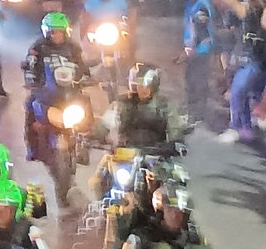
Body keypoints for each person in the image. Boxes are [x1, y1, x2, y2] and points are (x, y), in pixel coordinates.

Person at [20, 12, 87, 162]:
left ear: (65, 32)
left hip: (70, 90)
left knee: (85, 102)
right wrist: (31, 80)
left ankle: (85, 141)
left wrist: (86, 77)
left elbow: (82, 66)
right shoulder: (38, 47)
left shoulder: (73, 48)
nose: (55, 35)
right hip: (45, 90)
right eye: (52, 32)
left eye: (59, 32)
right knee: (30, 105)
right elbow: (30, 65)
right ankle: (32, 147)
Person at [103, 63, 174, 150]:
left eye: (145, 87)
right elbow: (106, 122)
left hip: (156, 153)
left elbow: (175, 127)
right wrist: (94, 135)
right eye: (137, 86)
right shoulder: (122, 103)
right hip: (126, 151)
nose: (141, 90)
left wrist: (174, 143)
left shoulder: (163, 105)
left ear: (153, 88)